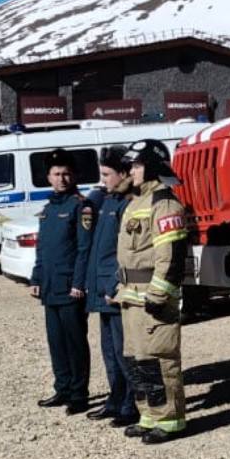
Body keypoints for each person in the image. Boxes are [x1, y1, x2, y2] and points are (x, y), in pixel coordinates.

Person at [114, 139, 188, 444]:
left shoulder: (164, 204)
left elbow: (170, 257)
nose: (132, 171)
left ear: (153, 167)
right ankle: (149, 415)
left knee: (159, 359)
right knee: (136, 359)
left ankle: (170, 420)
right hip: (131, 297)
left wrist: (158, 296)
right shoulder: (136, 202)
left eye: (138, 165)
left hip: (151, 298)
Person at [29, 148, 95, 414]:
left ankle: (79, 394)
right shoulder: (47, 209)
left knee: (75, 342)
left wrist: (79, 284)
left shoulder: (81, 206)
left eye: (66, 174)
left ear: (74, 175)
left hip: (71, 288)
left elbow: (84, 249)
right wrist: (36, 278)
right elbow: (42, 248)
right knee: (56, 342)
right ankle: (63, 388)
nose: (62, 179)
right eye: (56, 174)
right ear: (48, 177)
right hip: (50, 287)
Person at [83, 147, 139, 428]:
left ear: (123, 174)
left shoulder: (127, 204)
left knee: (122, 350)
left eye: (107, 174)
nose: (103, 179)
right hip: (103, 288)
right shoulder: (107, 201)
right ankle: (115, 400)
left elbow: (126, 252)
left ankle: (131, 405)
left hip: (115, 289)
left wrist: (115, 284)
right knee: (108, 350)